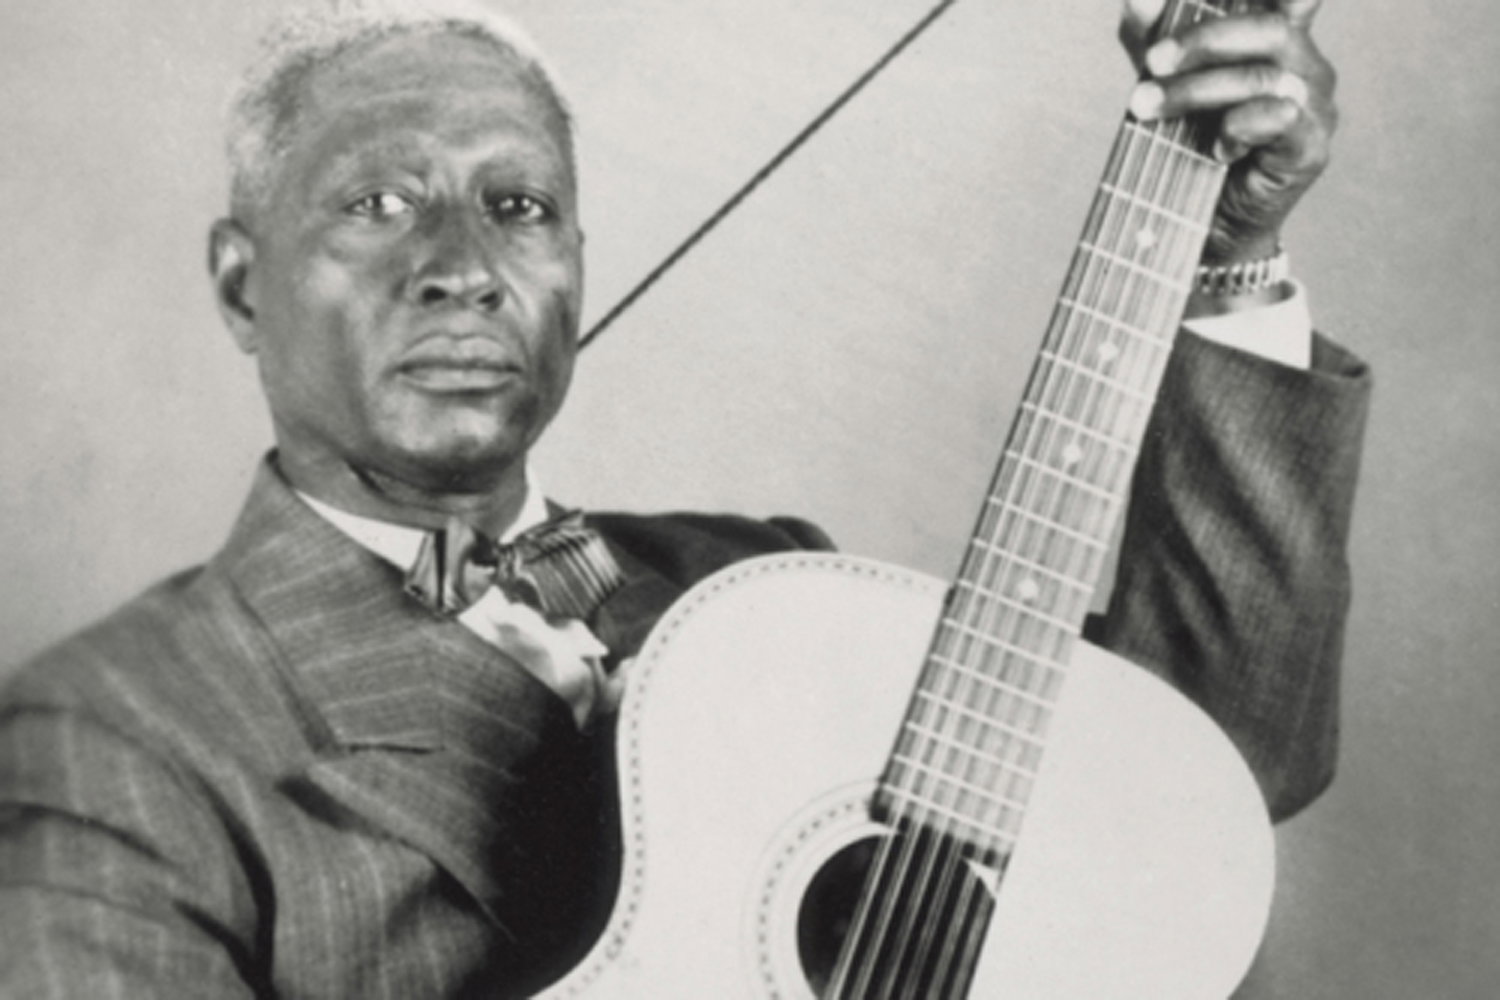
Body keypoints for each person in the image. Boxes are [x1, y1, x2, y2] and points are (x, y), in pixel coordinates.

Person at [0, 0, 1368, 995]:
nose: (462, 267)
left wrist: (1227, 254)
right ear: (243, 285)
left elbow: (1208, 767)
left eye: (519, 207)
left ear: (576, 266)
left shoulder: (757, 585)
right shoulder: (116, 745)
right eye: (377, 204)